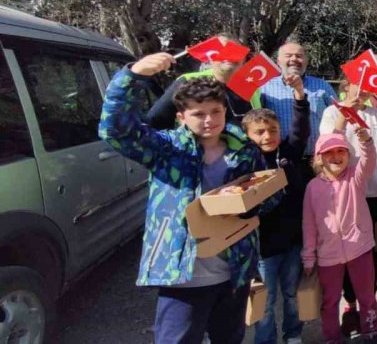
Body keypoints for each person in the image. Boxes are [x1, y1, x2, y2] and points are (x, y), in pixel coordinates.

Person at [98, 53, 280, 344]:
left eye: (216, 111)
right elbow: (115, 130)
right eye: (198, 114)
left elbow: (270, 191)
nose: (209, 121)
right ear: (181, 116)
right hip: (181, 273)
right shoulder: (164, 149)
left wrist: (252, 204)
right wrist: (133, 76)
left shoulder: (245, 150)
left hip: (234, 271)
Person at [318, 77, 377, 335]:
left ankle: (370, 305)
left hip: (375, 192)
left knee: (370, 255)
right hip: (344, 194)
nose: (364, 89)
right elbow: (327, 145)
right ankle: (349, 306)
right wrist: (346, 113)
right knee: (344, 254)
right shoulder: (332, 112)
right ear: (346, 87)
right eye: (358, 83)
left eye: (368, 84)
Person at [241, 73, 310, 344]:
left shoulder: (288, 154)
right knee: (266, 303)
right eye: (259, 132)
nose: (267, 136)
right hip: (263, 249)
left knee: (292, 294)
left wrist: (300, 96)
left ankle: (293, 334)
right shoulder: (245, 164)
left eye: (272, 130)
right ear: (248, 135)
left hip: (292, 242)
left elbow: (300, 130)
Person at [302, 130, 377, 342]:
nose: (336, 156)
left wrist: (366, 141)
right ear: (318, 157)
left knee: (366, 296)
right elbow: (308, 224)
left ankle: (371, 329)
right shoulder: (312, 187)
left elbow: (369, 160)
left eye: (341, 151)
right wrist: (309, 256)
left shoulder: (355, 176)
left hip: (359, 247)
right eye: (329, 152)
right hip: (328, 255)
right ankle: (332, 336)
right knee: (330, 300)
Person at [146, 34, 261, 129]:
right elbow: (154, 121)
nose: (228, 56)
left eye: (235, 51)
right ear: (210, 56)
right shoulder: (188, 82)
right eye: (221, 50)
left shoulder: (252, 87)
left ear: (244, 58)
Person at [260, 39, 339, 155]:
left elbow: (338, 115)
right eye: (288, 56)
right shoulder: (265, 88)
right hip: (281, 158)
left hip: (318, 157)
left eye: (299, 56)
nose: (294, 59)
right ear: (278, 61)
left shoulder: (322, 86)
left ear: (306, 61)